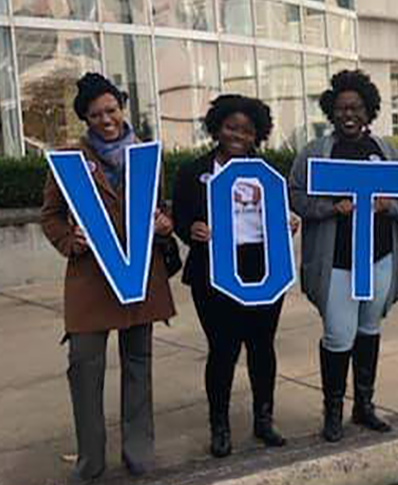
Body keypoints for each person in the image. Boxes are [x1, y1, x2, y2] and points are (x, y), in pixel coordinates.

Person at [41, 73, 176, 482]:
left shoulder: (146, 156)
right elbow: (50, 216)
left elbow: (160, 208)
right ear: (85, 118)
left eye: (112, 110)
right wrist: (69, 240)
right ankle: (90, 460)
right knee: (84, 368)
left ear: (122, 108)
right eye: (96, 114)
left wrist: (165, 225)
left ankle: (139, 452)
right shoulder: (69, 160)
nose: (106, 120)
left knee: (138, 365)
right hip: (91, 281)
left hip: (137, 278)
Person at [289, 70, 398, 442]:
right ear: (332, 111)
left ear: (368, 110)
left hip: (379, 258)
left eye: (357, 107)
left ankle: (364, 405)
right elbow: (295, 195)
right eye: (342, 107)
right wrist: (330, 207)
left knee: (369, 329)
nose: (349, 114)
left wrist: (388, 204)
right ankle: (333, 412)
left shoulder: (386, 151)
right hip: (336, 262)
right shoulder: (315, 153)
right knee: (338, 334)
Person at [173, 94, 296, 458]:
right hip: (213, 271)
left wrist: (289, 222)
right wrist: (190, 229)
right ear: (217, 127)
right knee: (223, 350)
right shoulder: (193, 172)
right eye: (231, 127)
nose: (237, 135)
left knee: (262, 347)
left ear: (257, 134)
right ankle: (220, 426)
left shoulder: (268, 173)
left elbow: (281, 213)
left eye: (246, 130)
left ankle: (264, 420)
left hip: (262, 267)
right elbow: (179, 217)